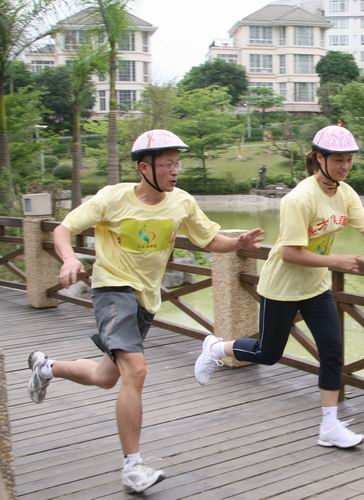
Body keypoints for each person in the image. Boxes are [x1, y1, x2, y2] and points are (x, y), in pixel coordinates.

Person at [25, 129, 265, 493]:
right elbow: (63, 229)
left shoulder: (182, 202)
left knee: (106, 377)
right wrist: (70, 258)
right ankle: (132, 466)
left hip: (146, 300)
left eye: (176, 163)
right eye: (167, 164)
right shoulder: (112, 198)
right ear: (144, 167)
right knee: (135, 370)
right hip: (112, 290)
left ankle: (47, 367)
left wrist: (237, 242)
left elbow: (209, 239)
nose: (175, 170)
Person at [193, 125, 364, 449]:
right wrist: (335, 261)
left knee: (332, 351)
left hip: (316, 287)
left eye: (349, 160)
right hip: (281, 287)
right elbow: (291, 253)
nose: (345, 166)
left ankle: (329, 426)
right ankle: (216, 349)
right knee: (268, 353)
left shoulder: (345, 194)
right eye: (339, 160)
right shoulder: (299, 198)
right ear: (319, 158)